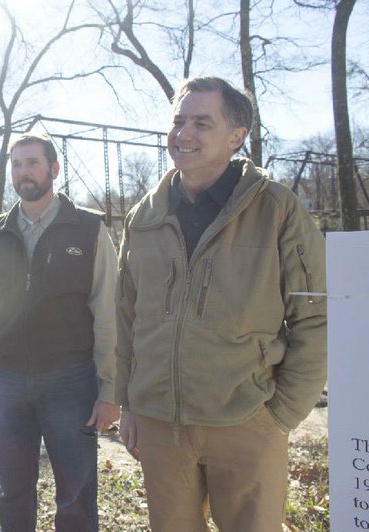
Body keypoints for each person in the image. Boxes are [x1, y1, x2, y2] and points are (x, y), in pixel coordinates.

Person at [116, 76, 327, 531]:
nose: (183, 134)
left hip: (246, 421)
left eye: (201, 123)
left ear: (237, 136)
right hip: (160, 426)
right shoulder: (144, 217)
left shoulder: (276, 209)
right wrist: (129, 403)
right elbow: (126, 317)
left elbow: (317, 317)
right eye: (178, 121)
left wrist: (281, 415)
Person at [0, 132, 119, 532]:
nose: (23, 172)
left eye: (32, 163)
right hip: (8, 380)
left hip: (70, 379)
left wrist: (110, 389)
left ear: (53, 169)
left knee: (76, 495)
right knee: (13, 492)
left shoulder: (88, 229)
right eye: (16, 164)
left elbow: (108, 312)